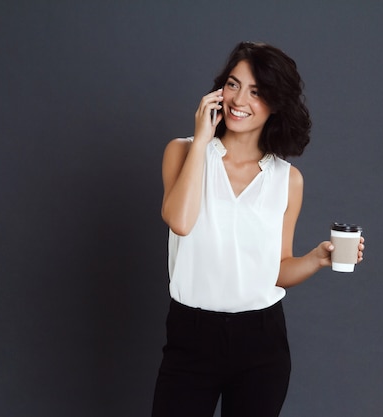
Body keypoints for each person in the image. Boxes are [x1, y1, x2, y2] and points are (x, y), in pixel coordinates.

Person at [152, 41, 365, 417]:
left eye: (257, 91)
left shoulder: (288, 180)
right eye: (233, 84)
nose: (239, 100)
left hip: (261, 341)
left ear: (275, 103)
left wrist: (316, 259)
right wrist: (202, 139)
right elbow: (181, 222)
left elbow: (277, 271)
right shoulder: (183, 152)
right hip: (191, 335)